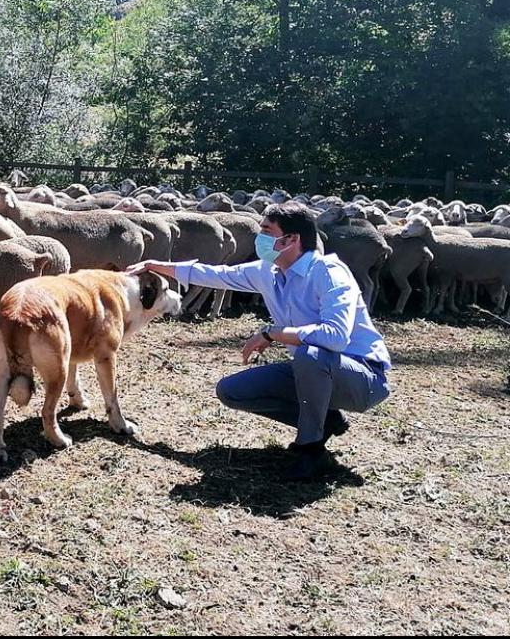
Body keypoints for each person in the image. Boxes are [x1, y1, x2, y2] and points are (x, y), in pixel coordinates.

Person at [127, 202, 392, 481]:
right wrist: (154, 265)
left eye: (266, 231)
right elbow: (216, 274)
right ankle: (325, 420)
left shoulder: (328, 273)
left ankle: (310, 449)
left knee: (311, 354)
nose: (259, 237)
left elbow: (335, 337)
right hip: (313, 371)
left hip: (363, 377)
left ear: (291, 240)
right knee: (233, 391)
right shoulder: (270, 271)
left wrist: (272, 334)